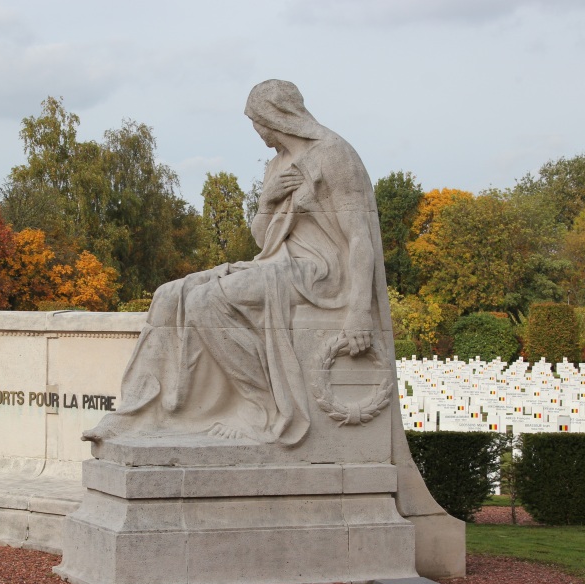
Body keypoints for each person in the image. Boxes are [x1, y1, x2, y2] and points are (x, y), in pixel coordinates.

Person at [83, 79, 385, 447]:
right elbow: (263, 238)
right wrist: (267, 200)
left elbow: (359, 237)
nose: (257, 130)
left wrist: (358, 310)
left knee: (206, 300)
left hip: (321, 273)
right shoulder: (277, 165)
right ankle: (139, 414)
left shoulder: (333, 153)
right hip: (277, 263)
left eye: (258, 120)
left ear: (279, 115)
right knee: (168, 294)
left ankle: (258, 409)